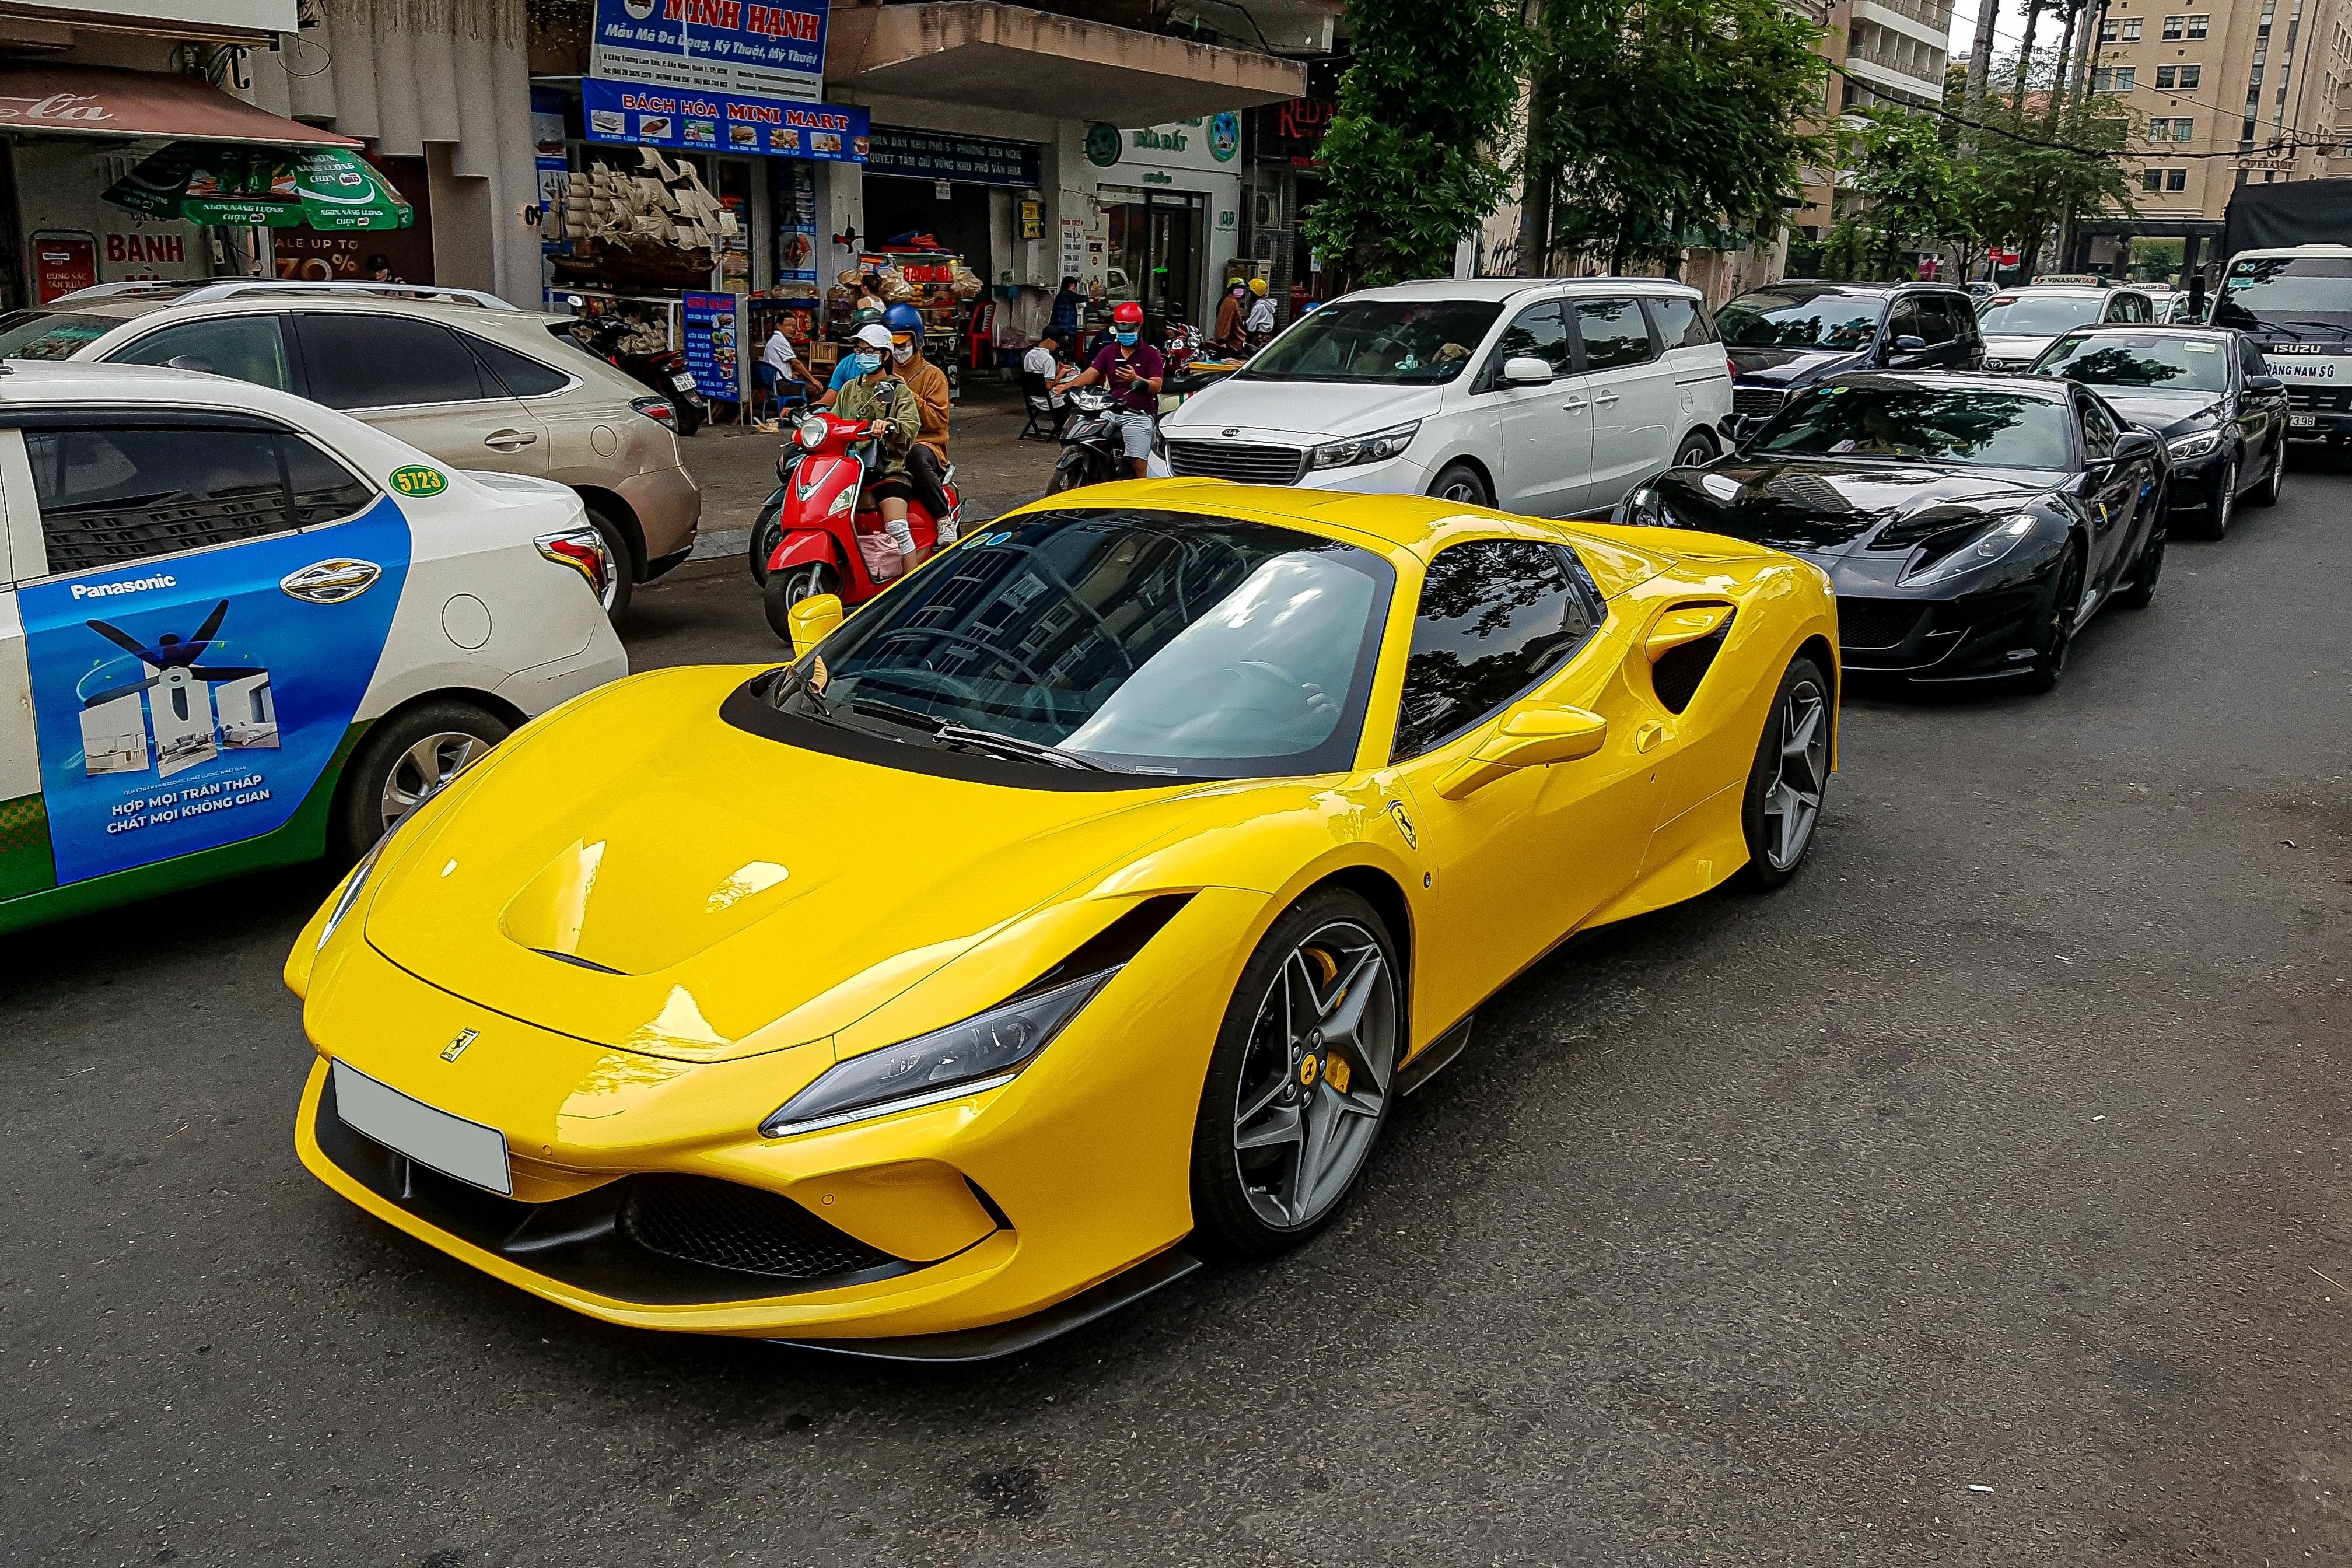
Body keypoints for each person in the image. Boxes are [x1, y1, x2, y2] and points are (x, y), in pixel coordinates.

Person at [832, 323, 928, 573]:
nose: (862, 355)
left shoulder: (898, 390)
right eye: (859, 350)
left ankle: (911, 587)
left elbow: (911, 425)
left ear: (885, 355)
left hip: (887, 469)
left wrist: (890, 425)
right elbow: (834, 420)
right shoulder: (849, 389)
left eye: (869, 351)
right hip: (849, 471)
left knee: (898, 529)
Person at [1056, 300, 1163, 478]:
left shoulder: (1151, 354)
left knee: (1139, 464)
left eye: (1128, 329)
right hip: (1110, 409)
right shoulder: (1109, 351)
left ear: (1139, 327)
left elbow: (1157, 386)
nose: (1124, 333)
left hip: (1139, 414)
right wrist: (1067, 386)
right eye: (1120, 329)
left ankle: (1140, 501)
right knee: (1088, 440)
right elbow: (1090, 374)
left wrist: (1136, 379)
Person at [881, 302, 956, 533]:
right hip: (889, 442)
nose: (899, 350)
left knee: (916, 456)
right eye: (893, 344)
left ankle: (944, 518)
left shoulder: (934, 376)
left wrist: (907, 393)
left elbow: (937, 420)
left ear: (917, 340)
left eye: (903, 343)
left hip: (926, 444)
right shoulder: (880, 374)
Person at [760, 318, 809, 419]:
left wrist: (793, 374)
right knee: (814, 389)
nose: (792, 329)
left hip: (775, 383)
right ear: (779, 326)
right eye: (788, 326)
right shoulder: (779, 340)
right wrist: (814, 380)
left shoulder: (776, 339)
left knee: (802, 381)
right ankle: (809, 420)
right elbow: (795, 363)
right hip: (781, 384)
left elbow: (782, 364)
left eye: (794, 326)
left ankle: (794, 416)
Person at [1212, 279, 1250, 357]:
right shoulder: (1231, 302)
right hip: (1231, 345)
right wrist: (1223, 338)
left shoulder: (1231, 301)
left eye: (1242, 288)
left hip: (1232, 343)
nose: (1241, 290)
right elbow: (1226, 321)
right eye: (1238, 288)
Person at [1244, 277, 1277, 346]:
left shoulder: (1259, 307)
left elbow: (1250, 328)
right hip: (1267, 338)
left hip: (1259, 340)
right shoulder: (1267, 305)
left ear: (1254, 294)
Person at [1050, 276, 1084, 340]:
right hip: (1066, 330)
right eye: (1074, 286)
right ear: (1072, 285)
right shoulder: (1068, 294)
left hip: (1056, 328)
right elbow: (1082, 298)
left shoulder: (1060, 295)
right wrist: (1093, 296)